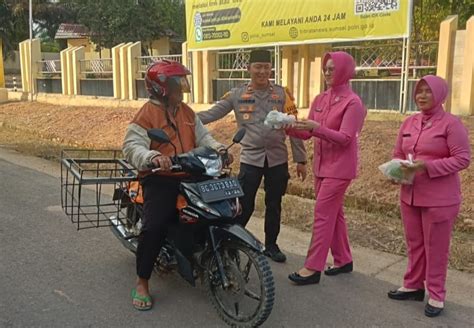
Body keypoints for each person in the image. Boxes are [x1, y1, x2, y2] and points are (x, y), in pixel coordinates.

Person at [122, 60, 226, 311]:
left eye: (182, 81)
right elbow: (131, 146)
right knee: (155, 225)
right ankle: (142, 282)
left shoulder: (187, 112)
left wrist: (220, 149)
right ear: (161, 88)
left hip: (189, 172)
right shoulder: (146, 114)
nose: (182, 87)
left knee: (219, 207)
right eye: (176, 82)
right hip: (160, 176)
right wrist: (152, 157)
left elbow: (204, 137)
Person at [197, 49, 307, 263]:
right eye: (258, 67)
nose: (262, 71)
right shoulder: (237, 95)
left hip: (277, 159)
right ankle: (232, 242)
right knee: (244, 204)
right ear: (249, 69)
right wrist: (184, 117)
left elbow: (294, 125)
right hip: (251, 159)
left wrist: (300, 159)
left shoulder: (283, 94)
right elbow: (211, 114)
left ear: (271, 69)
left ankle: (272, 245)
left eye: (266, 67)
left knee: (274, 204)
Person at [386, 75, 470, 317]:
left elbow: (462, 158)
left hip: (440, 199)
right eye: (418, 91)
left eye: (428, 91)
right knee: (415, 244)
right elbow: (398, 153)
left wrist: (426, 167)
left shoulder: (451, 124)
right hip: (410, 194)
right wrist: (394, 171)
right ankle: (413, 285)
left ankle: (436, 294)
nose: (421, 96)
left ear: (440, 94)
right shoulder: (409, 122)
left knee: (436, 248)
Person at [285, 51, 366, 285]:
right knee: (335, 214)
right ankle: (343, 260)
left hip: (340, 169)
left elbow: (345, 138)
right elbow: (308, 132)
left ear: (345, 71)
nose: (327, 73)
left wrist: (316, 127)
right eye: (326, 68)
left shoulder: (353, 103)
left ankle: (313, 267)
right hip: (321, 166)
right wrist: (287, 127)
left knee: (322, 214)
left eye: (332, 69)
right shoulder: (320, 99)